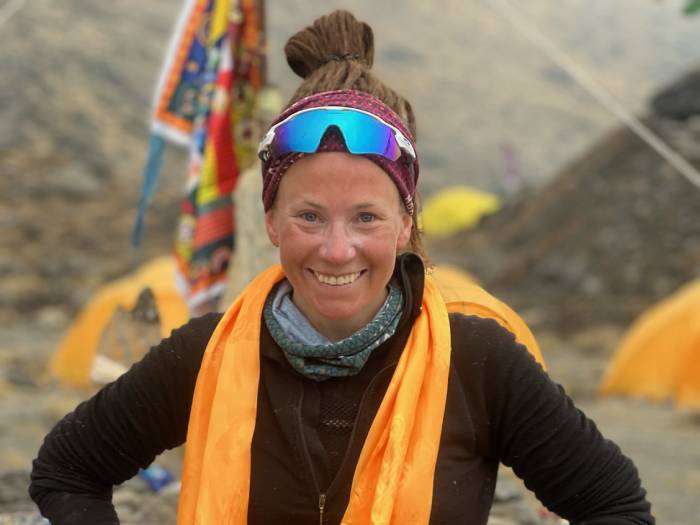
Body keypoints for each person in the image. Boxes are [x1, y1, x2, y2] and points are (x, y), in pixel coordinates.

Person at [30, 10, 655, 525]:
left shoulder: (480, 363)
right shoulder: (208, 355)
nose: (336, 250)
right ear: (270, 220)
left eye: (365, 218)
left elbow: (616, 508)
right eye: (308, 217)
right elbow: (65, 471)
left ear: (406, 223)